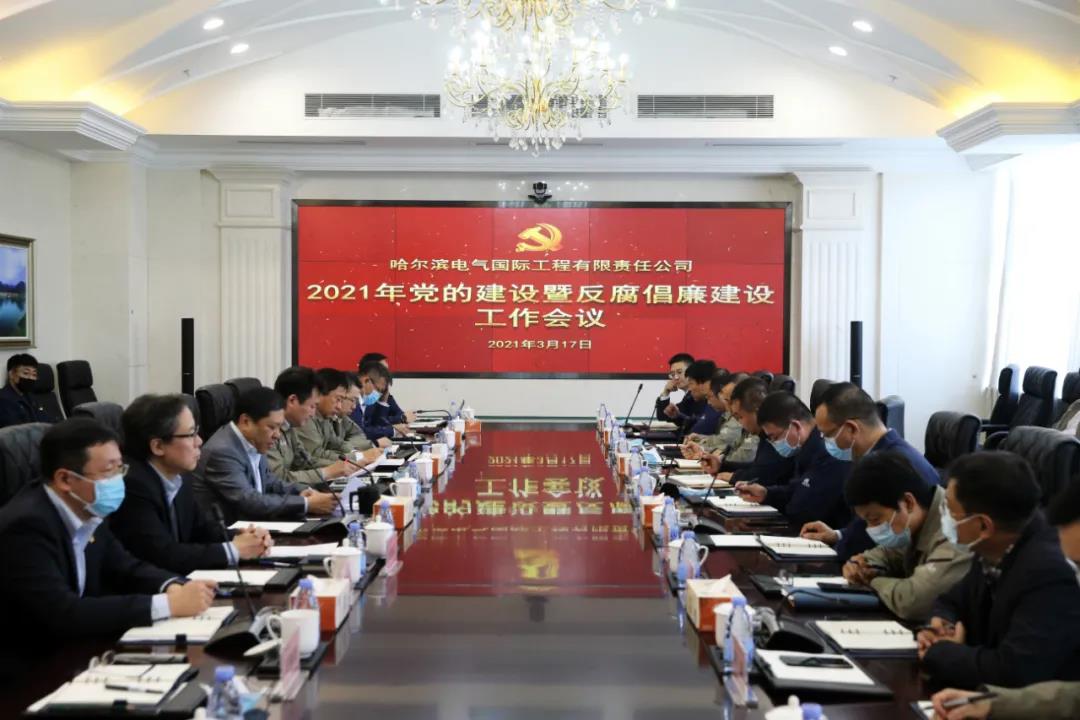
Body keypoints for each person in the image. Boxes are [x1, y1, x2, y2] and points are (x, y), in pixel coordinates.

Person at [0, 419, 217, 653]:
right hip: (32, 661)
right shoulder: (26, 526)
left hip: (77, 646)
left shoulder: (88, 508)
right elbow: (62, 612)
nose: (118, 480)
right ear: (65, 479)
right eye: (108, 471)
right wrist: (167, 604)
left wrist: (173, 585)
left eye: (120, 468)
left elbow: (125, 567)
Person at [917, 452, 1080, 689]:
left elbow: (1013, 671)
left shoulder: (1050, 571)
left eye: (950, 510)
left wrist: (940, 652)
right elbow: (951, 600)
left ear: (983, 525)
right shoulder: (995, 543)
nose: (945, 517)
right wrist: (941, 624)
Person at [110, 394, 272, 574]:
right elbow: (161, 555)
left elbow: (200, 531)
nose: (199, 441)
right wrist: (232, 550)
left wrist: (243, 537)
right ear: (158, 446)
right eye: (190, 434)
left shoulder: (179, 476)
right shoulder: (133, 486)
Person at [800, 382, 940, 561]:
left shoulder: (893, 465)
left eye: (828, 435)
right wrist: (838, 535)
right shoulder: (876, 455)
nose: (825, 442)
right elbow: (873, 524)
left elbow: (887, 529)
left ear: (851, 429)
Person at [841, 451, 972, 621]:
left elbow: (913, 602)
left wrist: (872, 581)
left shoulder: (956, 531)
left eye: (875, 519)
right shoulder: (914, 523)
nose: (871, 529)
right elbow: (886, 554)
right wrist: (860, 566)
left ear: (908, 502)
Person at [192, 387, 339, 525]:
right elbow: (250, 501)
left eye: (279, 427)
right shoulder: (223, 451)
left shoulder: (254, 439)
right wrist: (306, 503)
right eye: (272, 427)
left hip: (255, 526)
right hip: (228, 534)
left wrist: (304, 491)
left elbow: (270, 482)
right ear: (246, 422)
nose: (277, 435)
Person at [733, 392, 852, 529]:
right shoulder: (805, 449)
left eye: (774, 437)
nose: (774, 444)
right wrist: (766, 494)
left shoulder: (828, 452)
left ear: (795, 426)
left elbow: (801, 510)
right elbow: (796, 489)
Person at [267, 367, 352, 486]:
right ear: (292, 400)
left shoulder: (289, 426)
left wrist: (343, 466)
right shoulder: (268, 430)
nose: (313, 414)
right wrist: (326, 472)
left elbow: (306, 462)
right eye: (312, 406)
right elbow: (279, 478)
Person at [701, 377, 794, 487]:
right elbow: (757, 466)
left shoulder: (779, 433)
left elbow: (764, 475)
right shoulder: (763, 433)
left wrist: (734, 477)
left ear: (757, 411)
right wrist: (722, 466)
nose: (740, 423)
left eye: (740, 417)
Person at [296, 368, 380, 466]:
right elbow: (315, 455)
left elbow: (337, 443)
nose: (339, 406)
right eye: (338, 399)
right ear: (321, 394)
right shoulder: (305, 417)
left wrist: (356, 455)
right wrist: (354, 459)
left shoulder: (325, 416)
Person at [684, 371, 756, 461]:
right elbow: (730, 449)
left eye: (729, 400)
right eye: (726, 400)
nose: (728, 406)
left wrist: (709, 455)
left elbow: (741, 456)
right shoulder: (737, 417)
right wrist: (703, 449)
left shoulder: (752, 424)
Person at [0, 353, 59, 428]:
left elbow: (45, 419)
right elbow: (18, 430)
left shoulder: (30, 396)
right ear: (11, 374)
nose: (30, 378)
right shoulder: (4, 400)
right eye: (26, 373)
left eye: (34, 374)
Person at [358, 352, 415, 426]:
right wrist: (400, 419)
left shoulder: (382, 392)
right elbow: (371, 425)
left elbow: (398, 413)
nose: (386, 373)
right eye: (382, 369)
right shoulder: (356, 397)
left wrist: (384, 399)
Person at [354, 362, 400, 442]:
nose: (378, 395)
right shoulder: (351, 401)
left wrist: (383, 400)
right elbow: (360, 432)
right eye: (378, 389)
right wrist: (393, 430)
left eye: (382, 391)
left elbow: (377, 426)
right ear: (366, 380)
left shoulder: (367, 402)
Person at [654, 352, 695, 423]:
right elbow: (663, 417)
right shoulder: (687, 397)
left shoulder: (696, 396)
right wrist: (666, 392)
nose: (676, 377)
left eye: (679, 372)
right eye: (673, 374)